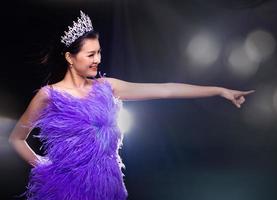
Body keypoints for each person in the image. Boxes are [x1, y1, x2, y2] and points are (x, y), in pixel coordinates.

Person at [8, 10, 254, 200]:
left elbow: (166, 90)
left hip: (108, 186)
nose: (98, 60)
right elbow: (17, 138)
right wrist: (44, 167)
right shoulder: (48, 96)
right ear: (70, 58)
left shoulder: (107, 87)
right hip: (66, 189)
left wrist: (220, 91)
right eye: (90, 55)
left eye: (99, 53)